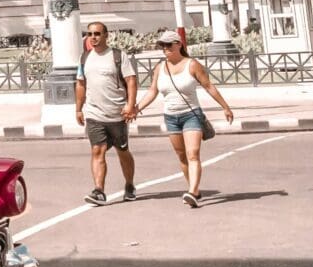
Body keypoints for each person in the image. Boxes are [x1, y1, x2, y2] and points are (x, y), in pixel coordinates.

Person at [134, 28, 235, 209]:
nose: (165, 49)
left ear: (179, 44)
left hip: (191, 115)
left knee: (192, 154)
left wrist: (225, 107)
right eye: (162, 46)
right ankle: (193, 189)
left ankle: (193, 191)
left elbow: (209, 86)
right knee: (182, 156)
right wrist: (136, 109)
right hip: (171, 117)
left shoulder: (192, 64)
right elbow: (152, 91)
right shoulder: (160, 68)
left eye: (168, 45)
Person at [72, 23, 138, 205]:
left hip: (117, 114)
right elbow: (80, 83)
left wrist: (130, 105)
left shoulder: (117, 56)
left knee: (122, 151)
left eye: (97, 34)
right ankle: (99, 190)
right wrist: (78, 108)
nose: (93, 37)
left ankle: (130, 185)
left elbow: (131, 81)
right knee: (97, 150)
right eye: (90, 34)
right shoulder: (85, 57)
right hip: (94, 113)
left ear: (106, 35)